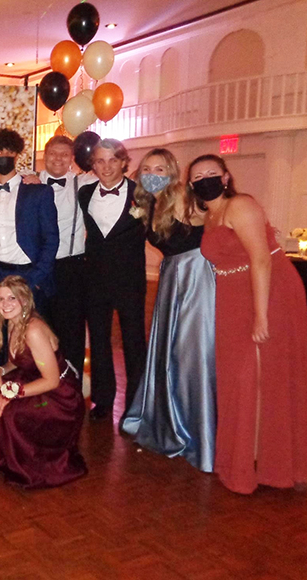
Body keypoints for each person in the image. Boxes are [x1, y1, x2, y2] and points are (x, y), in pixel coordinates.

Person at [193, 154, 307, 494]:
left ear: (226, 177)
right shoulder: (210, 214)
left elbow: (261, 259)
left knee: (257, 375)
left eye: (211, 173)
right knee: (240, 377)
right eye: (198, 176)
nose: (205, 179)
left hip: (267, 291)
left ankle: (265, 462)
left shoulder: (240, 205)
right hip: (233, 295)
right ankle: (249, 456)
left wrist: (261, 314)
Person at [120, 149, 216, 472]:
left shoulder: (177, 195)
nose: (152, 173)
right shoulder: (150, 202)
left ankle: (200, 433)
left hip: (195, 276)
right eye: (147, 168)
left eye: (160, 168)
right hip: (173, 276)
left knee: (192, 352)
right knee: (171, 351)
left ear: (172, 172)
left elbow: (209, 226)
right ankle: (173, 421)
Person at [0, 276, 86, 488]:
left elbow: (51, 381)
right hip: (34, 379)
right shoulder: (13, 323)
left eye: (12, 298)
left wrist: (10, 394)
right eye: (0, 299)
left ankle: (30, 468)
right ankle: (7, 460)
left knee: (12, 411)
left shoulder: (33, 329)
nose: (5, 304)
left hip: (60, 396)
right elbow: (17, 361)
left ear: (25, 300)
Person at [78, 139, 147, 422]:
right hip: (94, 280)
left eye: (111, 160)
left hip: (130, 280)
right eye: (99, 161)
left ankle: (137, 403)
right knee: (100, 342)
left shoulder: (141, 195)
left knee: (133, 343)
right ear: (93, 165)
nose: (106, 167)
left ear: (123, 162)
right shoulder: (84, 194)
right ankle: (103, 400)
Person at [0, 128, 59, 317]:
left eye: (9, 152)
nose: (4, 156)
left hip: (27, 274)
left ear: (17, 156)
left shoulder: (38, 192)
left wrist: (36, 277)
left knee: (26, 337)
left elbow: (51, 239)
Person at [39, 136, 97, 378]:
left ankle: (70, 385)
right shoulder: (29, 180)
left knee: (71, 331)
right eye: (54, 153)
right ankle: (41, 384)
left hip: (71, 267)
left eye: (65, 154)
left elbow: (119, 177)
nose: (59, 158)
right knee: (40, 328)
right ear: (45, 155)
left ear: (72, 158)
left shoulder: (84, 183)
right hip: (40, 266)